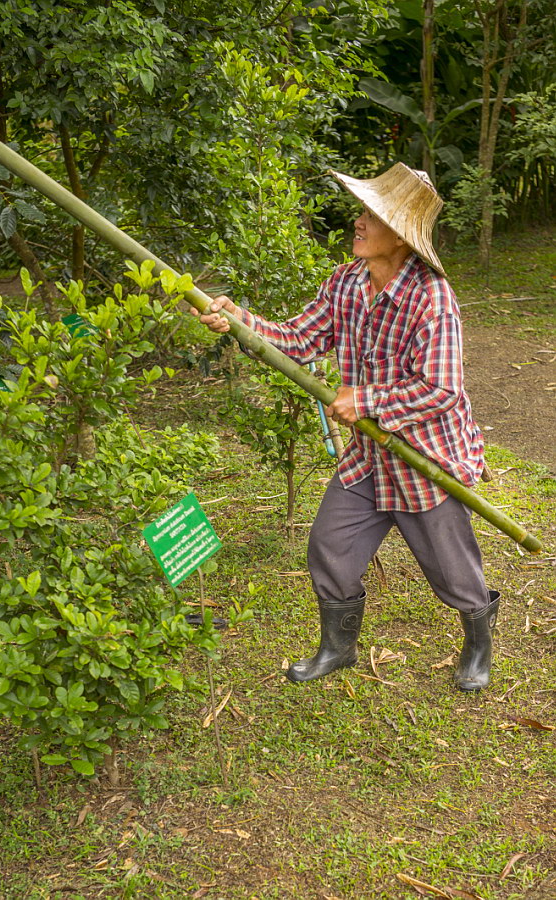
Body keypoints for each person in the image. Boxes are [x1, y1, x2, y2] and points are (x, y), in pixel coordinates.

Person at [193, 162, 500, 692]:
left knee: (454, 575)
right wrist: (240, 321)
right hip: (369, 460)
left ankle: (478, 639)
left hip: (424, 461)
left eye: (371, 216)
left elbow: (442, 390)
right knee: (329, 547)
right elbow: (299, 339)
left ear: (401, 237)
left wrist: (368, 399)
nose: (358, 222)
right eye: (362, 211)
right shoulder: (346, 282)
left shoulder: (433, 302)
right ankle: (338, 648)